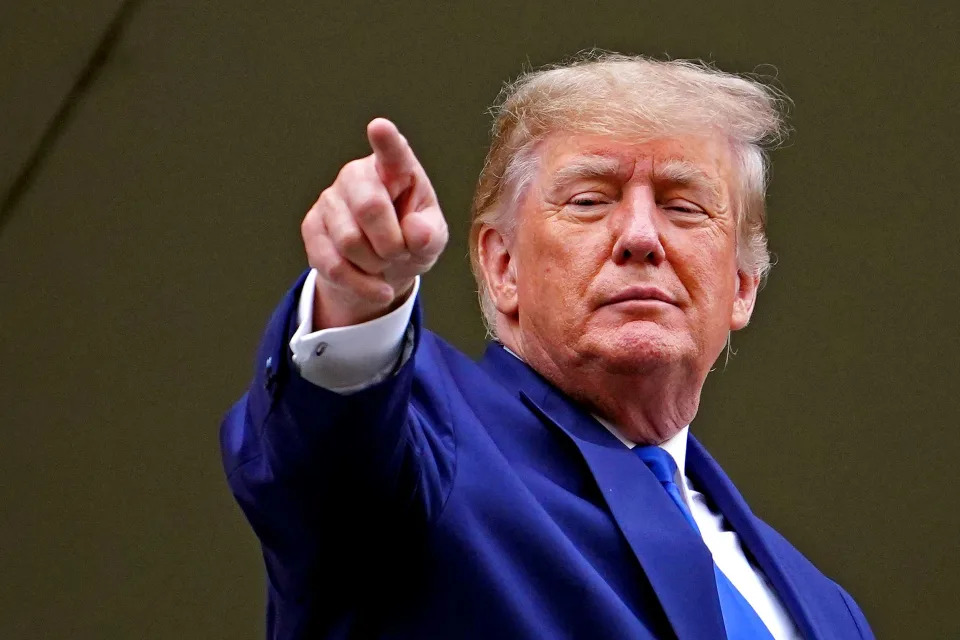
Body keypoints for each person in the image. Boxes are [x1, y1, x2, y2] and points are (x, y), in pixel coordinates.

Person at [221, 53, 874, 639]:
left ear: (741, 286)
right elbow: (322, 453)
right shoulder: (423, 445)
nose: (640, 235)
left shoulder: (829, 612)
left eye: (685, 207)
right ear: (502, 265)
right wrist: (360, 295)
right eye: (590, 201)